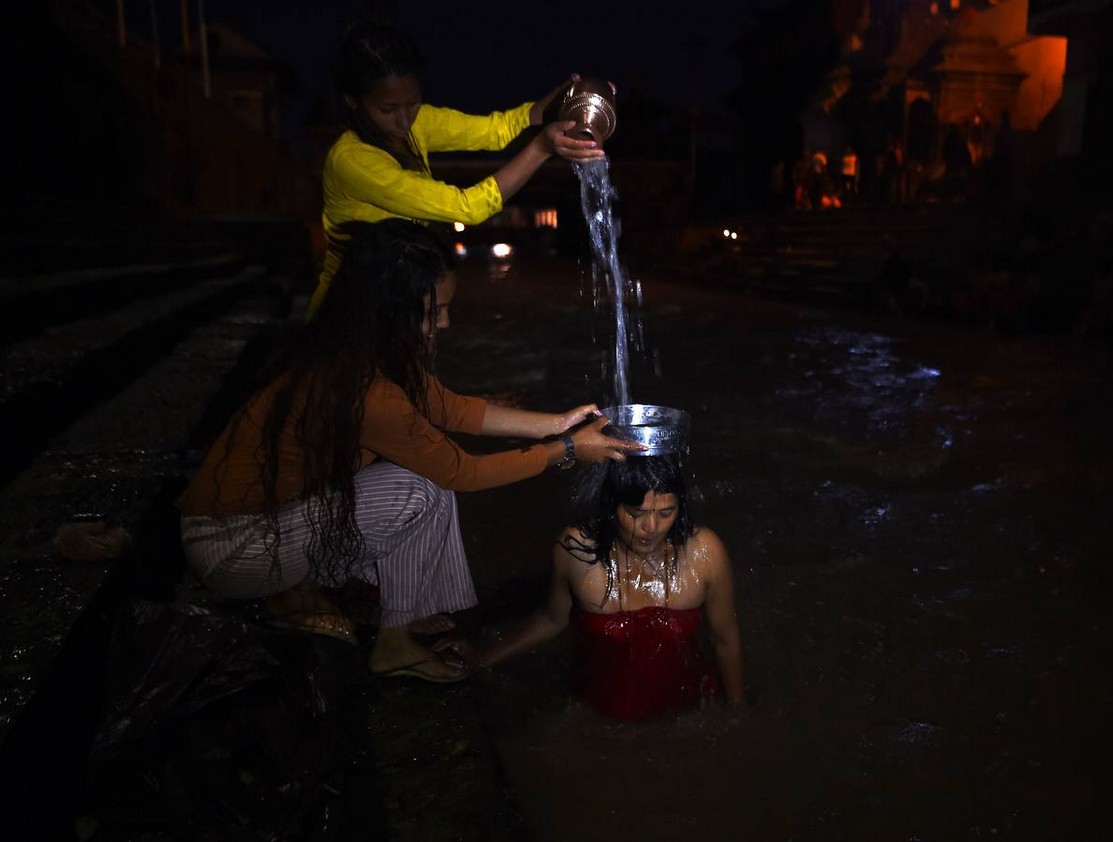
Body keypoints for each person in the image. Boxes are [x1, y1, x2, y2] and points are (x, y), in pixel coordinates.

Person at [176, 219, 644, 683]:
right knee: (421, 487)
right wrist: (565, 449)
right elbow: (463, 472)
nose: (444, 323)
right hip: (233, 550)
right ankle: (393, 647)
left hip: (274, 521)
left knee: (423, 481)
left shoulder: (360, 351)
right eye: (433, 311)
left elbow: (451, 408)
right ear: (389, 309)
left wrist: (558, 422)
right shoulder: (363, 387)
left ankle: (402, 610)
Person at [309, 18, 609, 318]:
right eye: (387, 110)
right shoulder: (352, 160)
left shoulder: (418, 123)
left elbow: (499, 130)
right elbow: (466, 208)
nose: (404, 120)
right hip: (346, 313)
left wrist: (566, 98)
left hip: (397, 303)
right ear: (353, 101)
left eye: (412, 103)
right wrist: (541, 148)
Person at [479, 455, 745, 720]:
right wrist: (481, 660)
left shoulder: (705, 553)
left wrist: (737, 711)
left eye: (666, 513)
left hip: (687, 711)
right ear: (612, 506)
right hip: (597, 714)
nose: (650, 527)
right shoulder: (577, 551)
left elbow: (724, 639)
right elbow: (552, 618)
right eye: (635, 513)